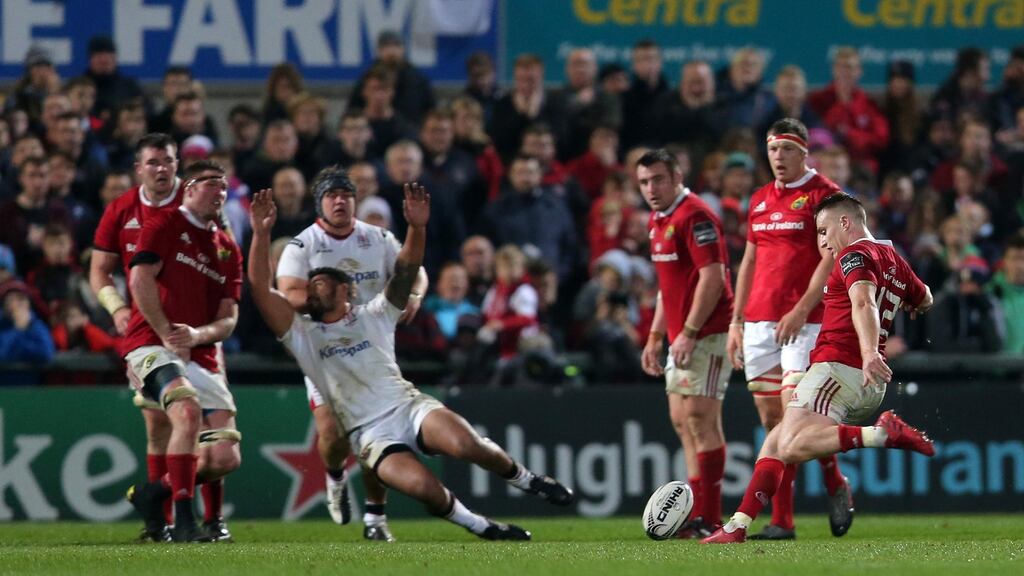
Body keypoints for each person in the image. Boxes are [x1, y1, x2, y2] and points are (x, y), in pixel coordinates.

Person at [248, 184, 574, 541]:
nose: (312, 287)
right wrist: (261, 234)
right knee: (423, 487)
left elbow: (405, 270)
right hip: (369, 433)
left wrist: (417, 229)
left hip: (407, 406)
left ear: (346, 290)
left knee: (468, 445)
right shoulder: (303, 336)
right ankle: (482, 526)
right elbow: (260, 288)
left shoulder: (374, 313)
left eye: (322, 281)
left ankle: (528, 480)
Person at [702, 192, 936, 544]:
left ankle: (881, 434)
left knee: (791, 446)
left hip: (840, 368)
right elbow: (926, 297)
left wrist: (870, 351)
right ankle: (737, 526)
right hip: (866, 382)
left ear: (846, 222)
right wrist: (910, 305)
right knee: (776, 443)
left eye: (824, 230)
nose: (823, 241)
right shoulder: (894, 259)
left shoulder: (853, 255)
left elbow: (863, 302)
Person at [90, 137, 236, 542]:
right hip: (148, 333)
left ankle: (209, 516)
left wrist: (204, 334)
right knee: (162, 425)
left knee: (206, 431)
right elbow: (100, 271)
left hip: (197, 336)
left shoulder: (200, 209)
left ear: (178, 168)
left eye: (168, 162)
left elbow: (222, 264)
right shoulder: (122, 210)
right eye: (153, 162)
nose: (161, 169)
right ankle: (163, 522)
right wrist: (118, 308)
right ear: (139, 168)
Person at [275, 165, 428, 541]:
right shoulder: (303, 244)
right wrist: (329, 305)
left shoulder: (377, 237)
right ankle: (335, 475)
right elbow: (288, 292)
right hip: (325, 350)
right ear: (319, 203)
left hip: (373, 347)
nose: (340, 201)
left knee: (379, 434)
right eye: (332, 195)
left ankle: (375, 518)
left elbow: (415, 270)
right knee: (332, 433)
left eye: (346, 195)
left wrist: (414, 294)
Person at [727, 118, 852, 541]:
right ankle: (834, 479)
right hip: (760, 322)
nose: (778, 157)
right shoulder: (760, 199)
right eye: (773, 149)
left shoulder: (825, 195)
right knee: (772, 420)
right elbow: (748, 261)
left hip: (804, 323)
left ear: (804, 153)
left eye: (786, 149)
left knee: (793, 420)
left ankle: (783, 521)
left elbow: (832, 255)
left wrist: (802, 308)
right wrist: (736, 320)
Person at [637, 149, 733, 537]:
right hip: (680, 336)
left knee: (700, 419)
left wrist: (690, 331)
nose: (651, 188)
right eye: (644, 182)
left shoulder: (695, 215)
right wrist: (656, 335)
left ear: (677, 176)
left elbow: (713, 277)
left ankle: (710, 518)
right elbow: (667, 285)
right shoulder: (657, 220)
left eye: (658, 179)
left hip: (707, 332)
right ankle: (698, 516)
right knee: (682, 422)